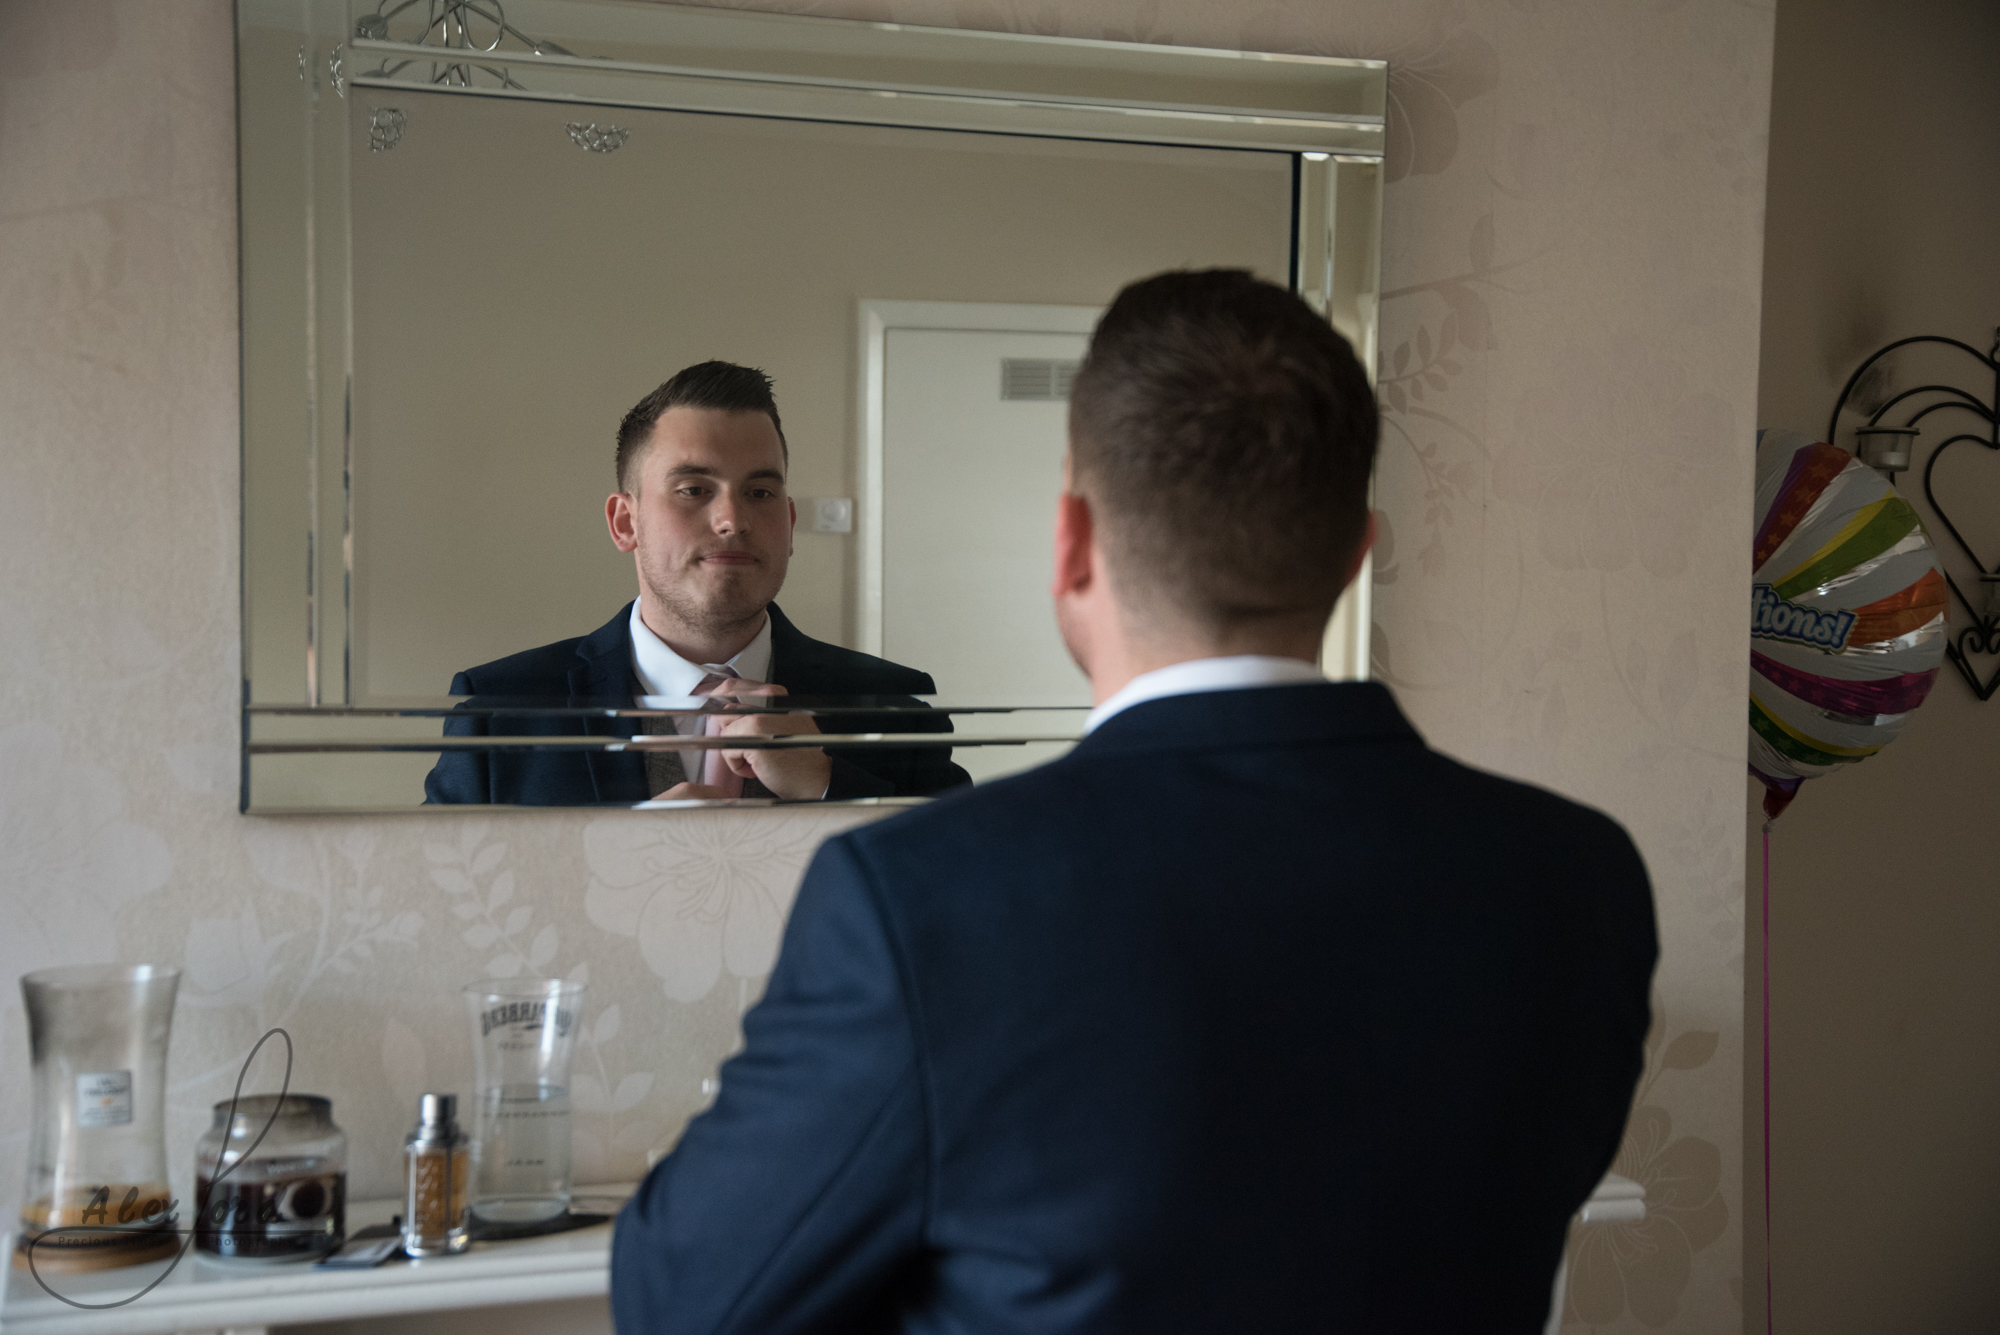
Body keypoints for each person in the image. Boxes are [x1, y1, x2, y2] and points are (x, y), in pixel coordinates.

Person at [610, 271, 1658, 1331]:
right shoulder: (1578, 875)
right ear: (1355, 556)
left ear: (1070, 542)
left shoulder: (920, 900)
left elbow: (687, 1297)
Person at [423, 361, 968, 805]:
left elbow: (963, 899)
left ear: (791, 523)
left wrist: (831, 787)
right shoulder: (502, 707)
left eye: (760, 493)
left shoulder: (894, 707)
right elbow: (435, 914)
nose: (732, 519)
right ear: (624, 522)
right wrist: (619, 856)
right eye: (693, 489)